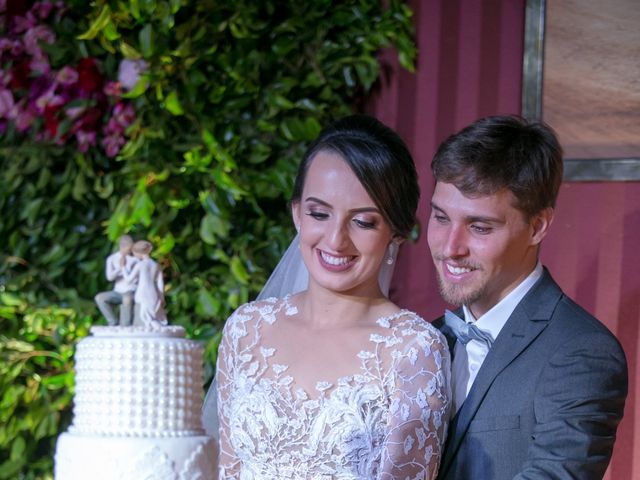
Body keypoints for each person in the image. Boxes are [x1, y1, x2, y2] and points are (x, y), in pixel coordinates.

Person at [212, 115, 451, 479]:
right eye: (319, 213)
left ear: (396, 234)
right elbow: (228, 469)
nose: (336, 240)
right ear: (297, 214)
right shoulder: (246, 330)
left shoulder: (413, 350)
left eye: (363, 221)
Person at [427, 115, 628, 479]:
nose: (450, 248)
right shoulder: (422, 341)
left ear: (537, 226)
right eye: (441, 218)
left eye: (479, 227)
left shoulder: (581, 351)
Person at [94, 234, 138, 326]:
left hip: (131, 291)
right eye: (128, 248)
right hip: (118, 291)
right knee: (100, 298)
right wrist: (120, 268)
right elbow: (109, 277)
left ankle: (126, 326)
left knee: (127, 299)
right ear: (122, 246)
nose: (130, 251)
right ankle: (112, 322)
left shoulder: (135, 259)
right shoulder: (112, 259)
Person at [125, 240, 167, 327]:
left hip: (142, 292)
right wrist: (161, 296)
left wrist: (123, 268)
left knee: (145, 317)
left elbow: (129, 280)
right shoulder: (156, 265)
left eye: (134, 253)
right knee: (152, 315)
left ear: (139, 253)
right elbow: (160, 283)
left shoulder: (140, 265)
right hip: (153, 293)